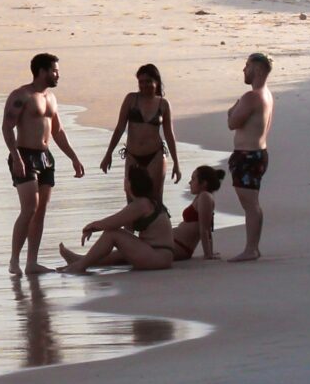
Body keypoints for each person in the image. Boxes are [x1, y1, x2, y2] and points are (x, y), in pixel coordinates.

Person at [2, 52, 86, 275]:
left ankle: (32, 262)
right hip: (24, 155)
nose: (58, 75)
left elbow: (57, 131)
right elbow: (7, 127)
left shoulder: (51, 98)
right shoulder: (22, 95)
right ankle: (14, 260)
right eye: (55, 71)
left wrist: (73, 157)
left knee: (40, 211)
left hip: (45, 157)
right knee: (28, 209)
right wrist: (16, 157)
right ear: (42, 71)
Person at [59, 164, 225, 273]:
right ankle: (81, 260)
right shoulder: (145, 202)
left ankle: (80, 265)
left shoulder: (142, 204)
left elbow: (113, 222)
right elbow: (125, 225)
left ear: (131, 184)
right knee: (120, 249)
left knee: (112, 234)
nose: (124, 182)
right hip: (159, 253)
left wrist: (91, 226)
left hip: (160, 256)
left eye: (126, 180)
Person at [96, 62, 180, 211]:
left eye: (148, 81)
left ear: (157, 82)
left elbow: (169, 134)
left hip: (156, 156)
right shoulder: (131, 99)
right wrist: (108, 154)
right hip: (133, 155)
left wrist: (176, 164)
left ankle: (156, 233)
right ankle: (131, 234)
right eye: (141, 82)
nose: (144, 85)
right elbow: (120, 127)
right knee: (131, 201)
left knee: (155, 201)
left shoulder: (163, 104)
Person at [226, 51, 274, 261]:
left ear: (258, 70)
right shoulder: (266, 94)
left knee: (250, 204)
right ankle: (252, 247)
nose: (243, 70)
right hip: (258, 153)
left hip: (248, 155)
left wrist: (234, 108)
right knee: (252, 202)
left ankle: (251, 249)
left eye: (247, 66)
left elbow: (232, 122)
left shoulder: (252, 96)